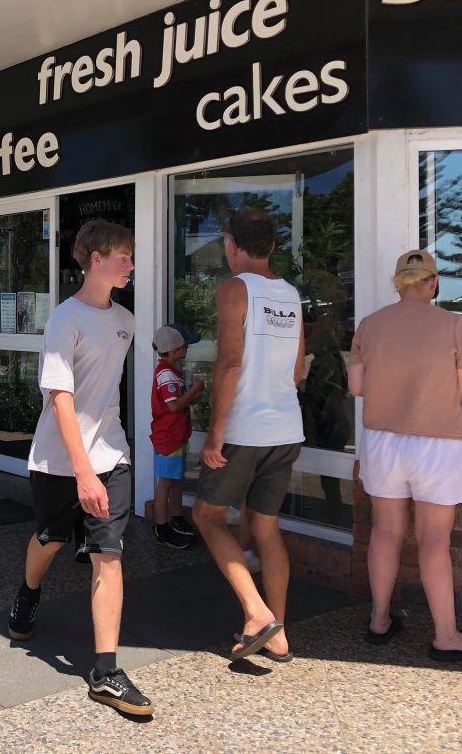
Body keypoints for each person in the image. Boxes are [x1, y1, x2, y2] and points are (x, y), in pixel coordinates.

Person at [6, 219, 153, 717]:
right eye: (124, 257)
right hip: (59, 459)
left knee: (107, 553)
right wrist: (82, 471)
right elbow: (61, 398)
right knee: (47, 538)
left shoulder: (126, 322)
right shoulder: (63, 319)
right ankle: (27, 593)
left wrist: (100, 464)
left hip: (111, 454)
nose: (131, 265)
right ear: (95, 258)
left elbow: (105, 391)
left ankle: (105, 671)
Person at [348, 250, 462, 663]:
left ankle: (379, 621)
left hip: (382, 440)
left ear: (399, 283)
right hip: (438, 443)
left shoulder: (370, 325)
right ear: (433, 283)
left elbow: (356, 386)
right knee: (434, 539)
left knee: (386, 531)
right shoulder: (453, 325)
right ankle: (446, 636)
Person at [193, 209, 305, 663]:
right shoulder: (292, 294)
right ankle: (276, 631)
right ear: (273, 247)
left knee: (208, 516)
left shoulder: (235, 288)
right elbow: (298, 370)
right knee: (265, 526)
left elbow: (229, 362)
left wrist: (215, 433)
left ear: (233, 246)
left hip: (245, 428)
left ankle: (257, 615)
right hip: (286, 427)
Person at [149, 324, 203, 549]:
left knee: (176, 479)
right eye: (184, 345)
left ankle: (176, 516)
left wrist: (191, 398)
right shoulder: (166, 374)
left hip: (177, 436)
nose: (187, 348)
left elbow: (178, 403)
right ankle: (161, 526)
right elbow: (172, 407)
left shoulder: (171, 373)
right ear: (171, 351)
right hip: (168, 438)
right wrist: (194, 390)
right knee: (166, 482)